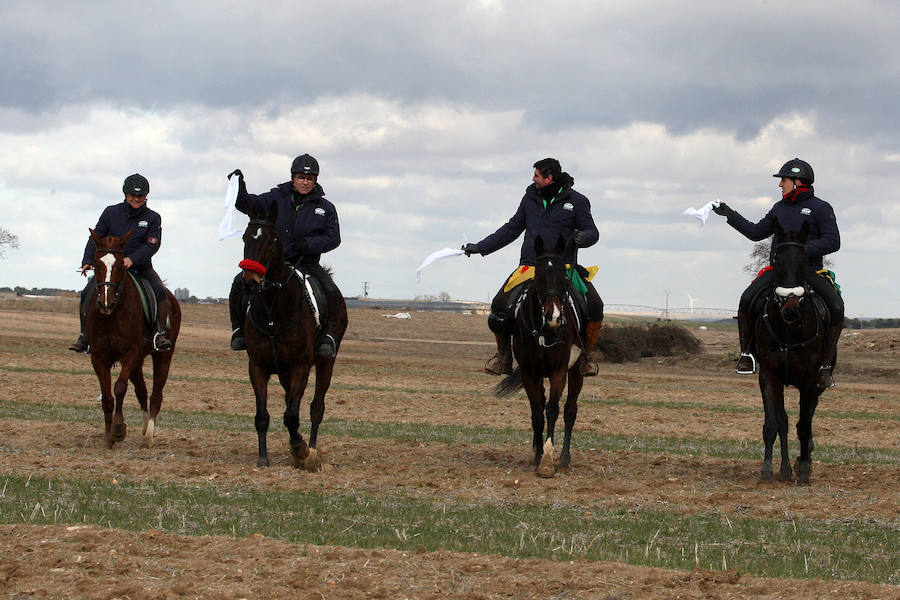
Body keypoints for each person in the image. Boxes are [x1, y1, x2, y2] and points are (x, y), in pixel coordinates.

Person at [462, 158, 605, 376]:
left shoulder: (577, 201)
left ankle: (586, 358)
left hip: (563, 267)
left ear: (549, 178)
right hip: (529, 266)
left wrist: (583, 237)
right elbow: (512, 228)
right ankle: (503, 356)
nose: (533, 179)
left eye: (537, 175)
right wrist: (481, 247)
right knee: (499, 304)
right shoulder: (530, 198)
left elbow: (592, 231)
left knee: (595, 304)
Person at [712, 158, 843, 387]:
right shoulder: (778, 208)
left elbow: (833, 241)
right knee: (746, 299)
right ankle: (747, 355)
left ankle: (825, 365)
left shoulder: (821, 208)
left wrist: (801, 252)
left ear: (798, 181)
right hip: (778, 272)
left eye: (783, 180)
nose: (780, 185)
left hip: (809, 271)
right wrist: (730, 215)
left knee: (836, 306)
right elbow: (755, 232)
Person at [226, 153, 342, 357]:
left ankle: (328, 336)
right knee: (238, 283)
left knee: (330, 289)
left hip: (306, 262)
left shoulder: (325, 208)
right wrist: (238, 189)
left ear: (315, 180)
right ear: (292, 177)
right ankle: (238, 330)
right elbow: (248, 205)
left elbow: (333, 238)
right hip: (274, 264)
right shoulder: (275, 197)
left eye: (310, 179)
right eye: (301, 178)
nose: (305, 182)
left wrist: (308, 245)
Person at [68, 173, 173, 353]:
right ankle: (84, 335)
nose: (137, 199)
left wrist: (132, 259)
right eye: (133, 195)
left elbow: (152, 244)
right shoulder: (110, 212)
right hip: (111, 269)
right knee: (87, 292)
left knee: (160, 291)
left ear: (146, 196)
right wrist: (87, 260)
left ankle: (159, 333)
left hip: (141, 267)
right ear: (125, 194)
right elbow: (96, 238)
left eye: (140, 196)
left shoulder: (153, 218)